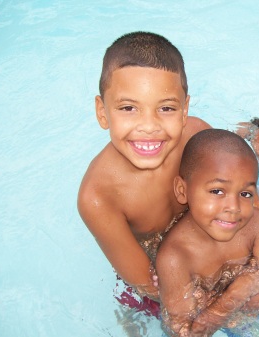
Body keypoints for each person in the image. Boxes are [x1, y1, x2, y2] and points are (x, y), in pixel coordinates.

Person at [77, 31, 211, 307]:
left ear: (185, 110)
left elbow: (242, 196)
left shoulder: (197, 136)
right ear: (103, 113)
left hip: (202, 242)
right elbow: (147, 283)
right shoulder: (99, 196)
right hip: (153, 274)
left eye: (166, 108)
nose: (149, 127)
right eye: (128, 108)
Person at [156, 129, 259, 337]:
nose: (233, 207)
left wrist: (240, 309)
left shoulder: (256, 223)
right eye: (217, 191)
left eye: (245, 194)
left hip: (242, 313)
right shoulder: (175, 258)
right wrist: (237, 293)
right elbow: (185, 333)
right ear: (183, 191)